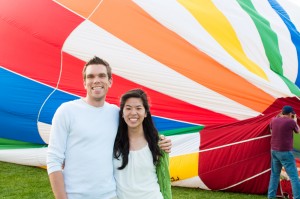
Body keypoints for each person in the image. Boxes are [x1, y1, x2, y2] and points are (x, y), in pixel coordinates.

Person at [47, 56, 172, 199]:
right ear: (84, 82)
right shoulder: (66, 111)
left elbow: (138, 125)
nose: (96, 80)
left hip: (110, 195)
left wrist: (162, 141)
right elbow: (53, 160)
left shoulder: (115, 113)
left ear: (110, 81)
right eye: (90, 76)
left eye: (101, 75)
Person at [113, 89, 172, 199]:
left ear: (145, 113)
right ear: (122, 113)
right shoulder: (112, 143)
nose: (133, 112)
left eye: (138, 108)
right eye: (128, 108)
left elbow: (165, 179)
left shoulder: (158, 143)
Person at [267, 105, 300, 199]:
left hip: (274, 150)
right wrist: (294, 120)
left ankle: (271, 196)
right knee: (294, 177)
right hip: (285, 152)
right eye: (292, 114)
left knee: (274, 175)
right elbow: (298, 131)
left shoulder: (273, 120)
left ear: (282, 112)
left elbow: (271, 129)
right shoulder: (291, 121)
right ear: (290, 114)